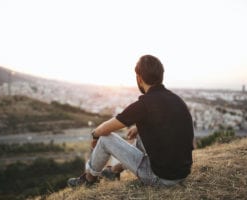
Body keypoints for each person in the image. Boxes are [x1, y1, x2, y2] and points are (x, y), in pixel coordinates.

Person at [68, 55, 194, 187]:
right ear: (161, 76)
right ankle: (114, 171)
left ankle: (89, 179)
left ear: (139, 78)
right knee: (142, 134)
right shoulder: (177, 100)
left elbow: (104, 129)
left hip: (160, 178)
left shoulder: (144, 104)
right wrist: (139, 128)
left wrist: (95, 135)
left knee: (105, 139)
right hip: (182, 173)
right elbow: (170, 126)